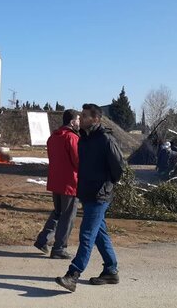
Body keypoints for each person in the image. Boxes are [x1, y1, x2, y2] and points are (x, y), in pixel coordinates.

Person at [56, 103, 126, 293]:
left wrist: (107, 184)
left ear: (95, 119)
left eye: (85, 115)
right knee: (100, 234)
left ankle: (73, 274)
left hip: (100, 194)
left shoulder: (105, 139)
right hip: (87, 193)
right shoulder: (83, 140)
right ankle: (111, 270)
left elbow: (119, 167)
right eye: (81, 115)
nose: (81, 118)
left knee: (87, 234)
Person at [34, 109, 80, 259]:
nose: (80, 122)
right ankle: (59, 247)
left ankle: (43, 240)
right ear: (73, 122)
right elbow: (78, 161)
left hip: (56, 181)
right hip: (70, 183)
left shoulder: (53, 137)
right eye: (78, 120)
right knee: (68, 216)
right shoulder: (72, 138)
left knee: (58, 212)